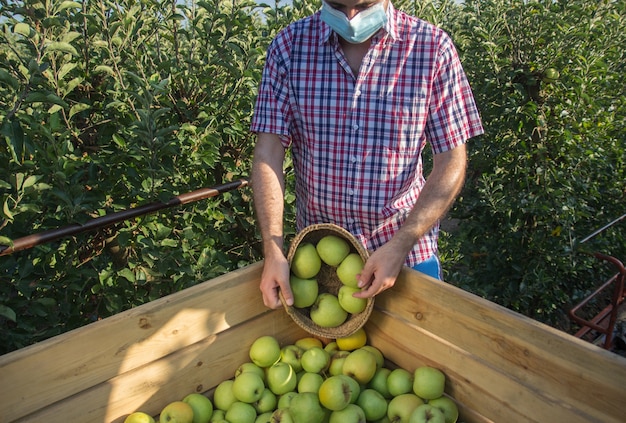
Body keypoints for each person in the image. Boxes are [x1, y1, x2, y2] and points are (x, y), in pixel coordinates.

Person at [250, 0, 484, 309]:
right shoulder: (290, 47)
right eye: (338, 5)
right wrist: (274, 248)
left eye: (363, 5)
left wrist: (401, 243)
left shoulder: (431, 49)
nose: (350, 17)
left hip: (405, 257)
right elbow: (268, 152)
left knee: (415, 355)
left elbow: (451, 160)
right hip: (320, 266)